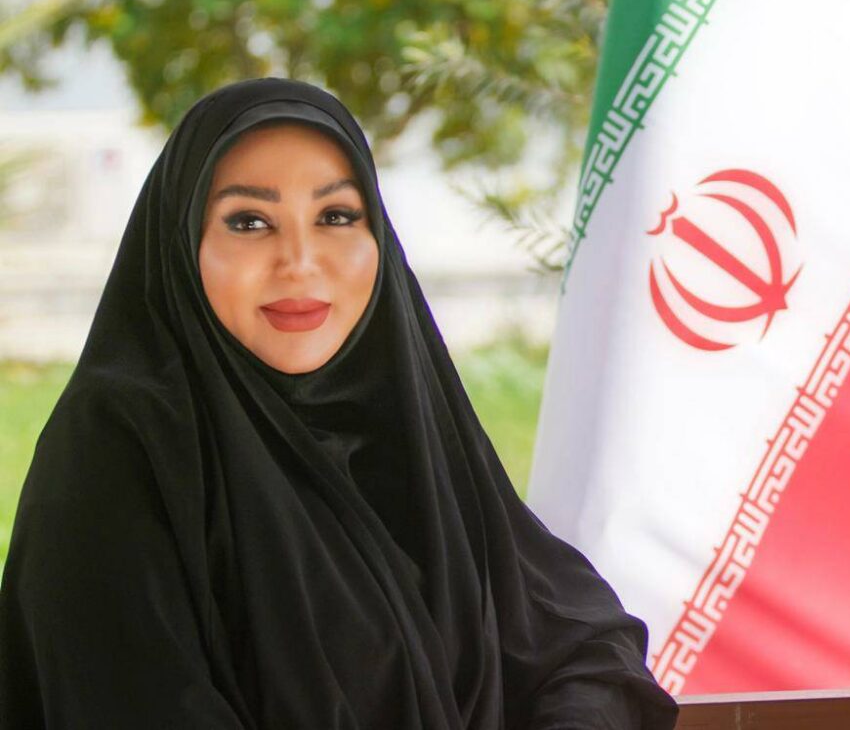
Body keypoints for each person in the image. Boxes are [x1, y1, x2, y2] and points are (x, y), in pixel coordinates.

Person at [0, 77, 679, 729]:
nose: (299, 261)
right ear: (183, 242)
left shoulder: (403, 420)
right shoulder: (119, 444)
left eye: (335, 216)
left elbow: (581, 642)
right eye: (249, 221)